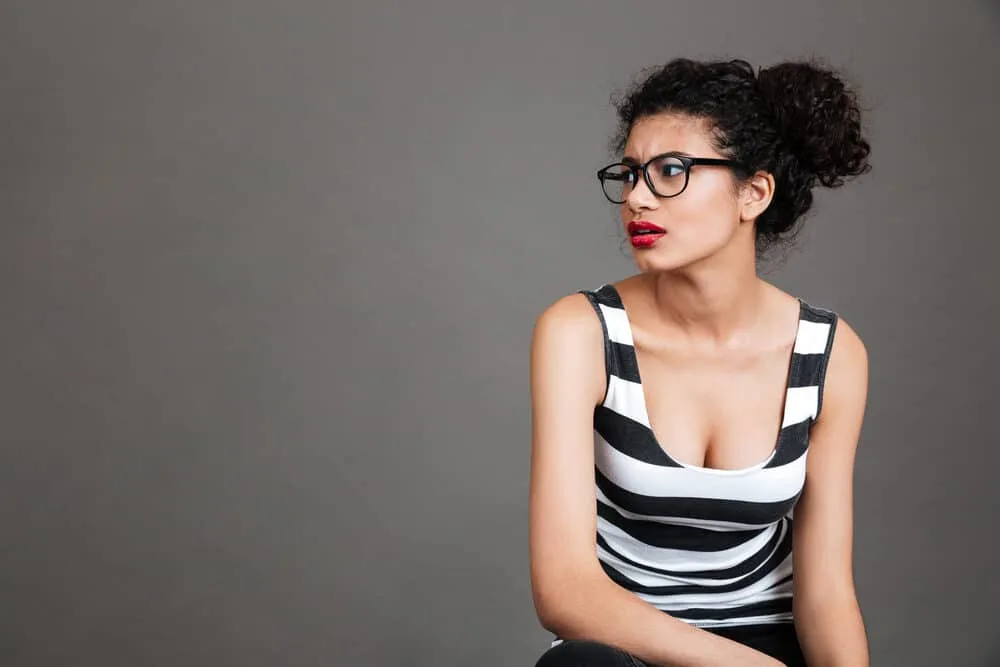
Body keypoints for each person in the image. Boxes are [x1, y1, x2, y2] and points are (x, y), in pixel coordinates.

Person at [528, 58, 872, 666]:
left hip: (770, 638)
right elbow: (565, 592)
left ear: (753, 193)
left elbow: (825, 593)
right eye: (631, 173)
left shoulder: (828, 352)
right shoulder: (581, 333)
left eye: (671, 171)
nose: (636, 197)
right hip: (630, 650)